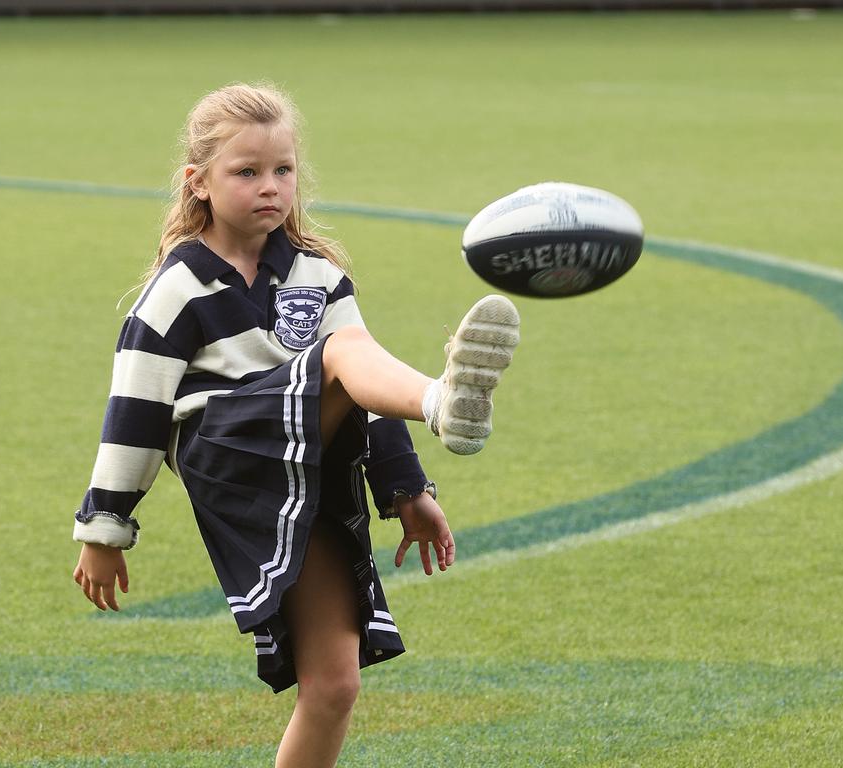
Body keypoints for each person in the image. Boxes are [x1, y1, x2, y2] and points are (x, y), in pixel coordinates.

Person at [70, 82, 519, 768]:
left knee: (334, 684)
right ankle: (441, 400)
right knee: (338, 353)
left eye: (282, 171)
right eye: (245, 172)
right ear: (198, 184)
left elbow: (362, 388)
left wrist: (406, 493)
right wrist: (106, 528)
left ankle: (443, 402)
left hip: (307, 458)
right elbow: (135, 411)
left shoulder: (318, 274)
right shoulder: (178, 286)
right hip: (226, 451)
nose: (269, 187)